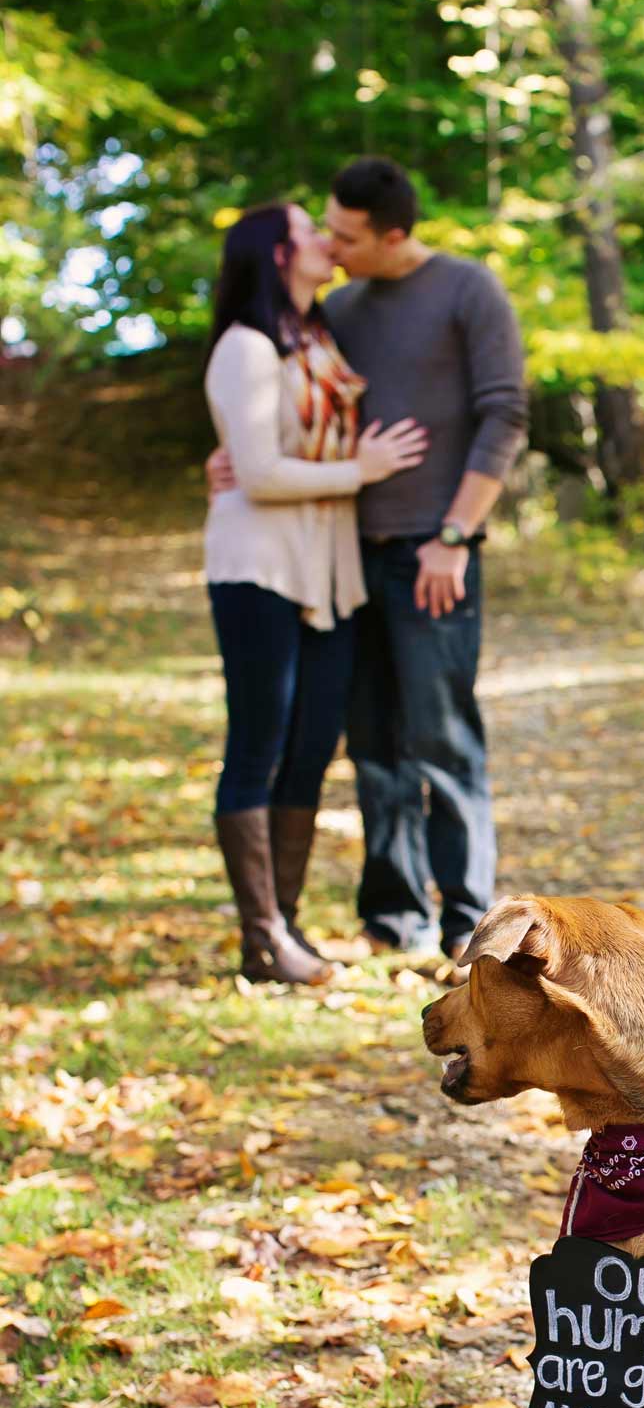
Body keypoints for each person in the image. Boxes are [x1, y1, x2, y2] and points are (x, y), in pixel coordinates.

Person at [204, 202, 427, 985]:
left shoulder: (318, 339)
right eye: (308, 232)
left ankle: (284, 926)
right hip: (259, 567)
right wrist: (359, 472)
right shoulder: (246, 346)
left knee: (309, 745)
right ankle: (261, 936)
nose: (325, 242)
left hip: (326, 571)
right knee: (258, 744)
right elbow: (259, 473)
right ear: (275, 254)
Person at [321, 157, 528, 963]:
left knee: (442, 739)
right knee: (373, 741)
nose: (332, 248)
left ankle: (468, 922)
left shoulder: (467, 289)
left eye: (347, 237)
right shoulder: (339, 308)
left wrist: (455, 535)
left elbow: (503, 414)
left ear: (394, 234)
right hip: (348, 554)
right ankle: (392, 917)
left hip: (433, 551)